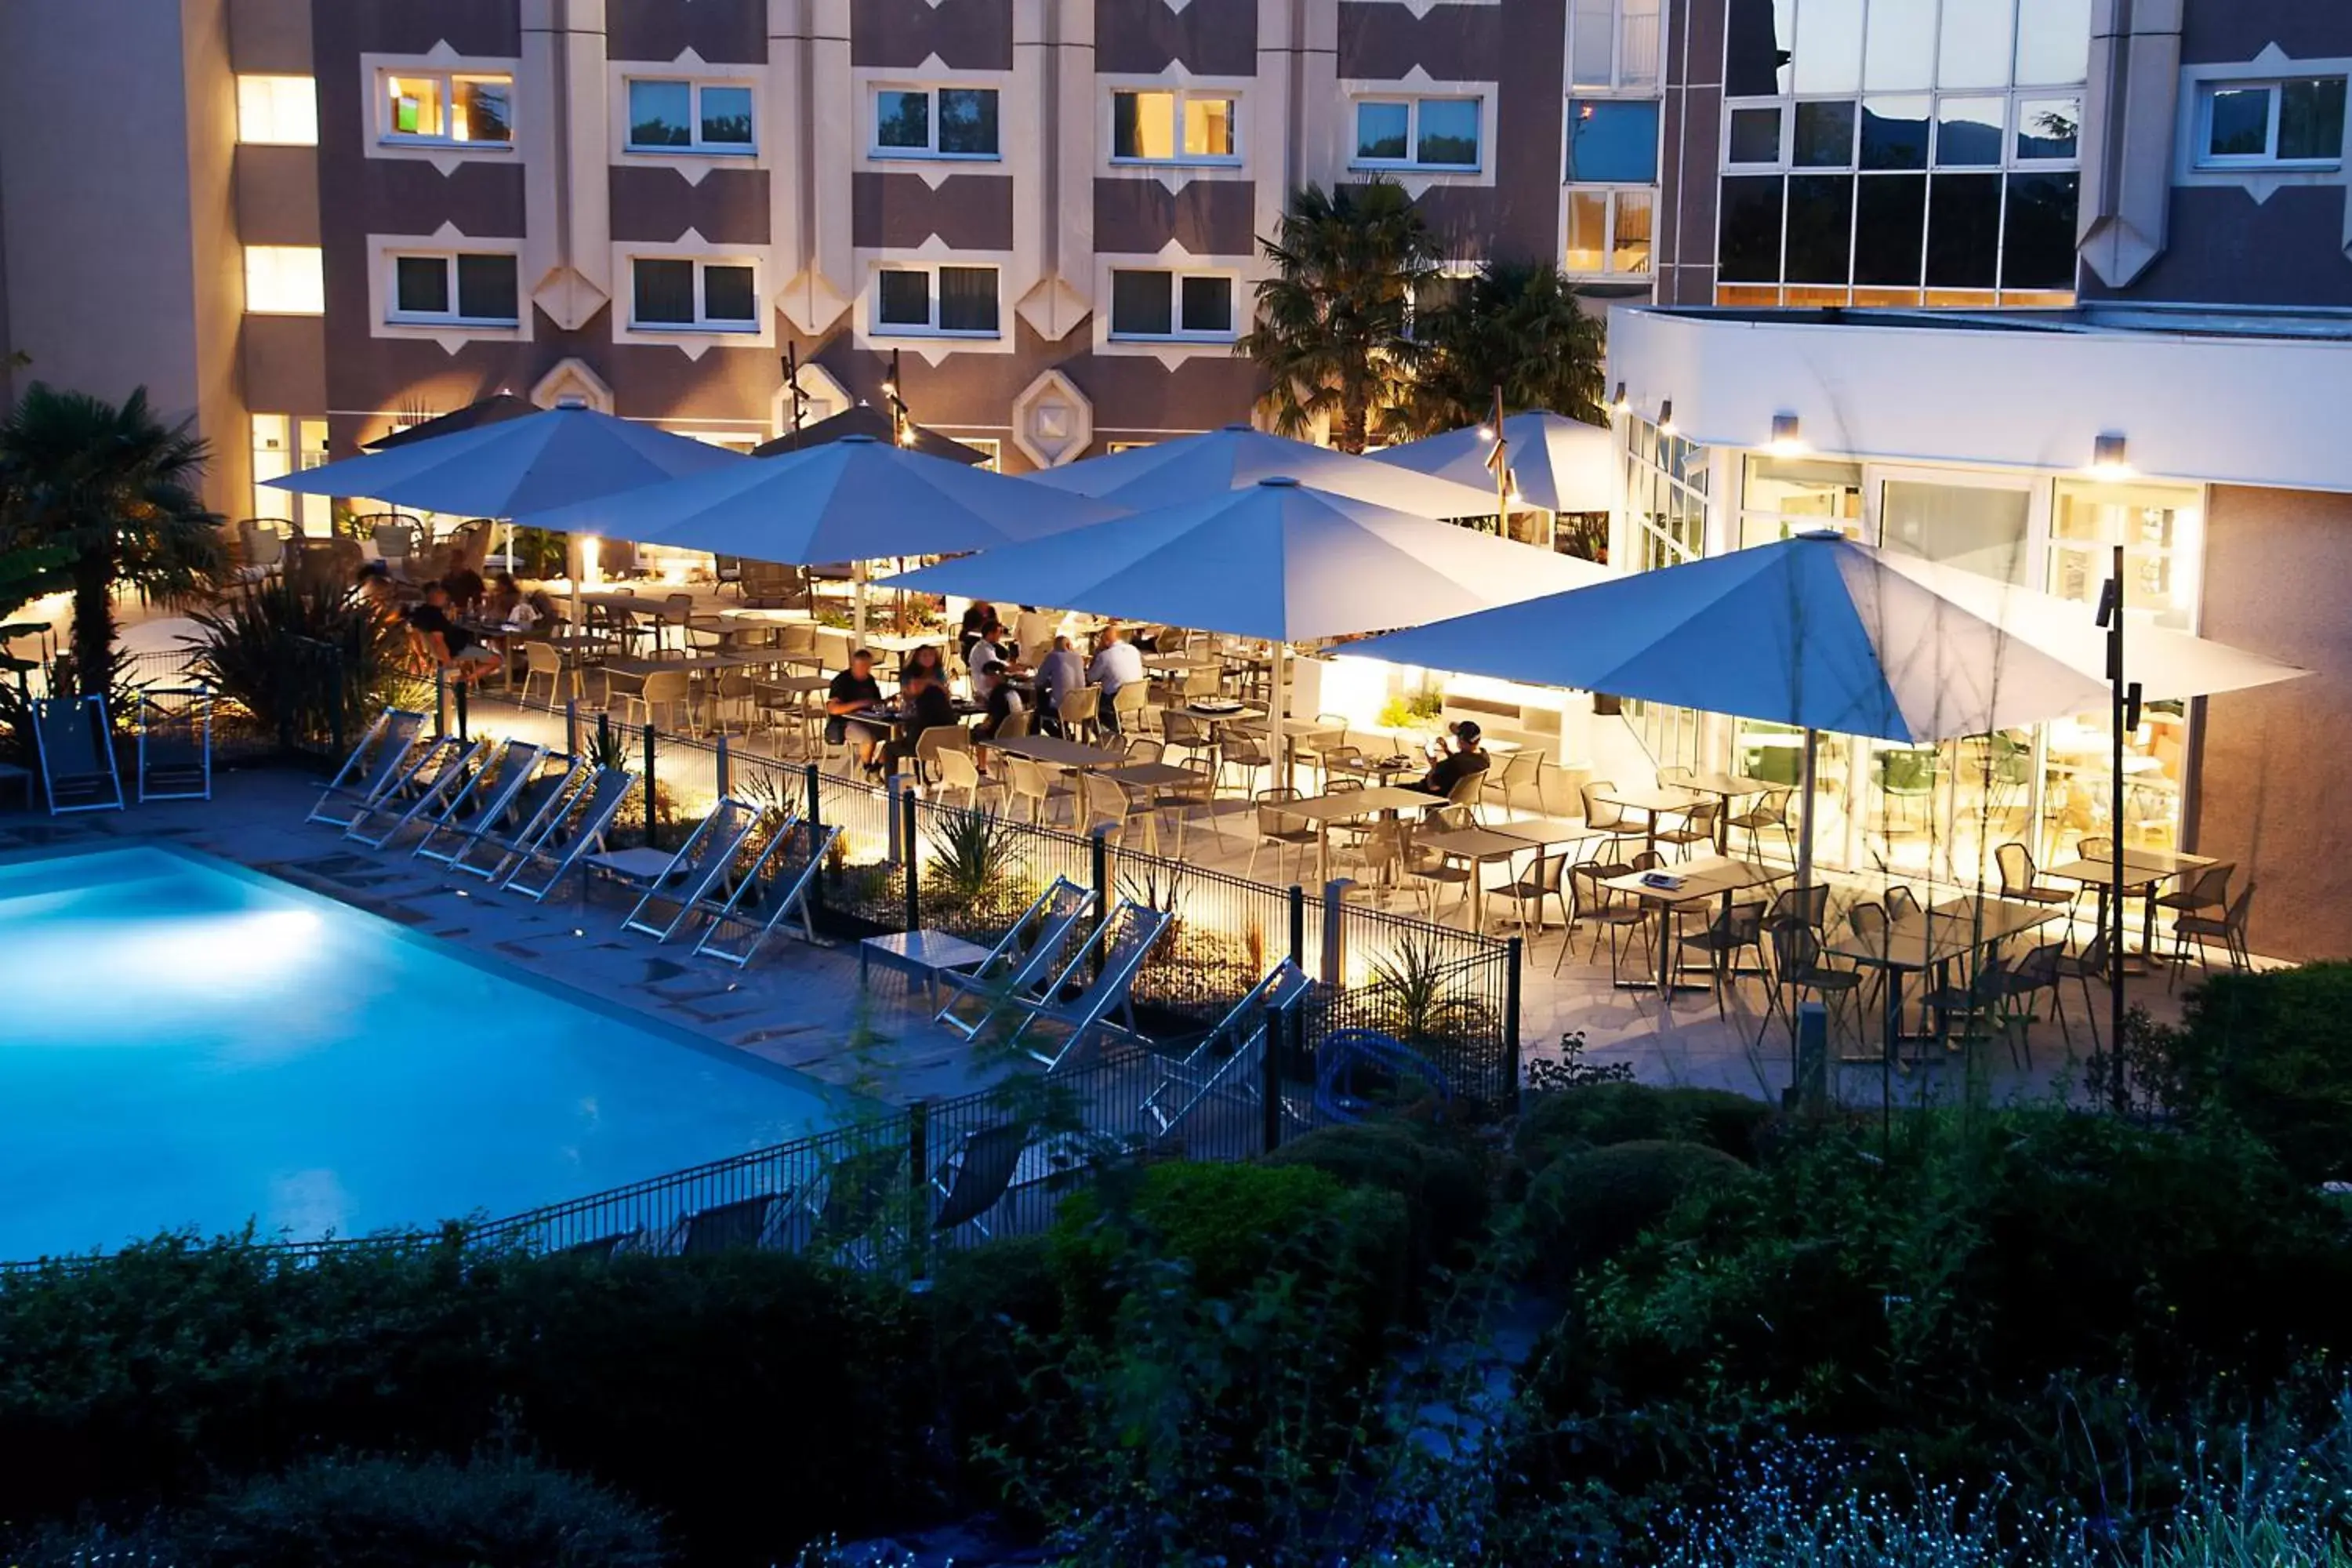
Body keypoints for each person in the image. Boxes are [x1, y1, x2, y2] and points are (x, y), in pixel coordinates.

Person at [403, 582, 502, 684]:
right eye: (443, 594)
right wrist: (447, 662)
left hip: (437, 651)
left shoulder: (419, 613)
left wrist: (421, 654)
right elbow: (439, 641)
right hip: (456, 650)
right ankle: (463, 683)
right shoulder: (435, 616)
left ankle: (462, 681)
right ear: (435, 595)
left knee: (474, 651)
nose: (446, 597)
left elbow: (414, 636)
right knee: (497, 660)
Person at [882, 667, 960, 775]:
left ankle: (891, 787)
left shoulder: (920, 701)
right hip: (947, 747)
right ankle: (921, 777)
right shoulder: (941, 697)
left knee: (889, 748)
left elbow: (914, 730)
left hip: (923, 747)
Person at [825, 648, 888, 774]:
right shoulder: (842, 681)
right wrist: (860, 703)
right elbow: (833, 709)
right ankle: (867, 767)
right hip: (845, 723)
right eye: (861, 666)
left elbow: (876, 701)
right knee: (868, 738)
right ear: (853, 665)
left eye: (867, 667)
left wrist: (887, 703)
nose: (864, 670)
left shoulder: (869, 680)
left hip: (869, 718)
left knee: (895, 737)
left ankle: (877, 768)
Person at [1087, 622, 1147, 731]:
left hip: (1117, 699)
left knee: (1088, 707)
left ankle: (1108, 736)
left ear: (1105, 641)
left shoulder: (1104, 656)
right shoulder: (1133, 649)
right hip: (1138, 695)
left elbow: (1091, 678)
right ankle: (1115, 726)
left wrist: (1096, 654)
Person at [1409, 720, 1490, 800]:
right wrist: (1446, 750)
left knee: (1397, 789)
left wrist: (1433, 767)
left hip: (1437, 797)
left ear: (1461, 741)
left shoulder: (1456, 762)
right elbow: (1462, 764)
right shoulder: (1484, 757)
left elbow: (1432, 787)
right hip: (1461, 798)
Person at [967, 618, 1026, 704]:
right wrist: (1016, 671)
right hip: (988, 690)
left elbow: (999, 664)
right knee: (1022, 692)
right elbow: (997, 668)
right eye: (999, 632)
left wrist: (1017, 668)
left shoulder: (986, 647)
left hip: (990, 684)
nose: (1001, 635)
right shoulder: (983, 650)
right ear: (990, 634)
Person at [1035, 634, 1084, 735]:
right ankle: (1064, 730)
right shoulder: (1079, 657)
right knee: (1061, 695)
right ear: (1069, 645)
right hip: (1080, 706)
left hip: (1062, 709)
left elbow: (1038, 681)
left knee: (1037, 710)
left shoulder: (1053, 656)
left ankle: (1057, 734)